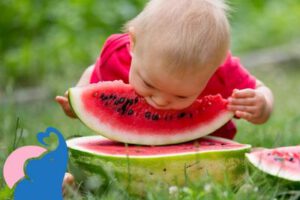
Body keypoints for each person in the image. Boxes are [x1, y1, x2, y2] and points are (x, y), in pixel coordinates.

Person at [56, 0, 273, 191]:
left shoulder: (222, 71)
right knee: (96, 176)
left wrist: (261, 104)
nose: (160, 101)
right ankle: (76, 184)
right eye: (148, 84)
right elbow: (93, 74)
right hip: (124, 155)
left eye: (181, 96)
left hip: (203, 163)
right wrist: (76, 101)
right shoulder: (117, 55)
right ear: (133, 43)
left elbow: (262, 91)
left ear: (214, 69)